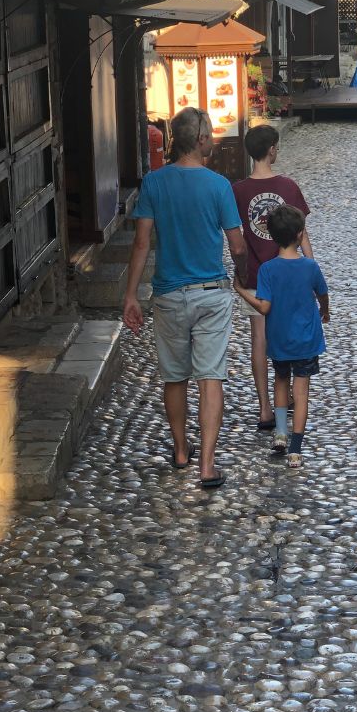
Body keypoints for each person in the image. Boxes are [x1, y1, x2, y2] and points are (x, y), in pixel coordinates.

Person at [124, 107, 248, 489]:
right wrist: (245, 274)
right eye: (209, 133)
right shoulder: (218, 186)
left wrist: (131, 295)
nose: (212, 138)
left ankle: (181, 450)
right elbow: (237, 245)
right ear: (200, 139)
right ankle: (207, 466)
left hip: (168, 296)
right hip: (210, 294)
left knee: (174, 377)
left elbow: (142, 242)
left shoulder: (154, 183)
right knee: (211, 378)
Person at [234, 205, 329, 469]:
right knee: (301, 392)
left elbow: (264, 307)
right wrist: (325, 311)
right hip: (306, 341)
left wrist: (240, 290)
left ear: (272, 237)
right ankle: (296, 450)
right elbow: (322, 294)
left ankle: (280, 433)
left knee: (280, 382)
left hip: (278, 340)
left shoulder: (267, 269)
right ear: (300, 234)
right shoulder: (310, 267)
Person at [231, 124, 313, 431]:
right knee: (289, 333)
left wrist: (240, 273)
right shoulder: (288, 187)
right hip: (289, 273)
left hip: (255, 274)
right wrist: (310, 265)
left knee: (259, 340)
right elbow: (302, 231)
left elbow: (235, 236)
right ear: (271, 150)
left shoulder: (237, 191)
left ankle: (265, 407)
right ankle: (289, 394)